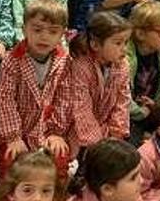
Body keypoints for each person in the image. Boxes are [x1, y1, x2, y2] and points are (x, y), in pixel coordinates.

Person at [0, 0, 69, 177]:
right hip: (18, 130)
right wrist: (13, 137)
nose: (44, 36)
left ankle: (54, 199)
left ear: (61, 35)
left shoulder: (64, 60)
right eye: (37, 29)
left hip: (46, 129)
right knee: (11, 162)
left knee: (59, 159)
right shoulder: (13, 60)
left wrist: (56, 132)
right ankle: (8, 199)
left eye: (52, 32)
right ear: (24, 29)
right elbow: (4, 99)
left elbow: (65, 99)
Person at [56, 12, 133, 153]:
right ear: (95, 45)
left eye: (126, 42)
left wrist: (116, 134)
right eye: (118, 43)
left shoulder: (122, 65)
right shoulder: (80, 66)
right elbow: (80, 107)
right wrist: (97, 143)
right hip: (77, 131)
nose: (124, 49)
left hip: (106, 129)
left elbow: (123, 101)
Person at [126, 2, 160, 142]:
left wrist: (159, 106)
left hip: (154, 110)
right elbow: (122, 96)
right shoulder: (125, 58)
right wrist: (141, 112)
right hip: (130, 115)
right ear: (141, 33)